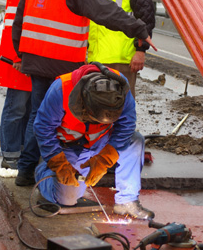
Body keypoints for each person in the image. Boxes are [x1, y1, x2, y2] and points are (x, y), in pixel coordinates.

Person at [12, 0, 157, 186]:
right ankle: (59, 168)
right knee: (64, 118)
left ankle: (26, 170)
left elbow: (19, 22)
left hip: (35, 61)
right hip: (64, 63)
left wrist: (20, 53)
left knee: (40, 115)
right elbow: (107, 12)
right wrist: (139, 30)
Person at [34, 62, 155, 220]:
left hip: (101, 141)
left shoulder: (120, 88)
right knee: (67, 199)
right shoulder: (61, 89)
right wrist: (58, 162)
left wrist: (105, 158)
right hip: (69, 147)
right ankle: (43, 172)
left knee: (135, 140)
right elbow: (43, 127)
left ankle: (127, 200)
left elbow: (126, 125)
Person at [0, 0, 67, 169]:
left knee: (30, 111)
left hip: (37, 61)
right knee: (16, 108)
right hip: (19, 60)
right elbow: (10, 27)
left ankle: (25, 155)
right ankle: (10, 155)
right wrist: (17, 58)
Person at [86, 0, 155, 97]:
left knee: (122, 109)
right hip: (95, 58)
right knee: (96, 108)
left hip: (122, 60)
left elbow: (146, 20)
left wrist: (140, 51)